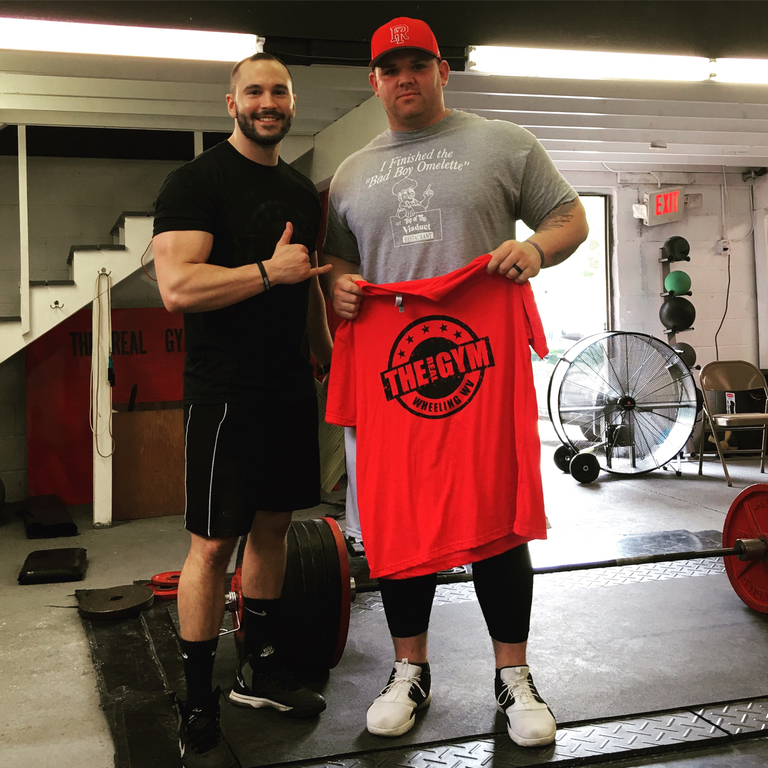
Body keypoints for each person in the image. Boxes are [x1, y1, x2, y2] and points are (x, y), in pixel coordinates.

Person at [321, 18, 588, 748]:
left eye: (418, 64)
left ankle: (514, 675)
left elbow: (569, 217)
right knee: (398, 519)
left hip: (481, 365)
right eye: (390, 69)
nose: (404, 78)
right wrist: (340, 287)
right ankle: (410, 670)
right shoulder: (349, 174)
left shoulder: (504, 143)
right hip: (397, 375)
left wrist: (535, 250)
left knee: (497, 513)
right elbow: (341, 262)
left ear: (443, 71)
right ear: (374, 82)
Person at [152, 52, 333, 768]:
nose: (268, 102)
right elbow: (177, 287)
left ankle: (258, 671)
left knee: (274, 529)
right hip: (225, 391)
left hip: (289, 387)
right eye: (254, 90)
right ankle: (198, 699)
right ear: (231, 103)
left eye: (279, 91)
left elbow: (306, 281)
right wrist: (266, 272)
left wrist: (328, 355)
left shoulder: (299, 189)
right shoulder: (197, 182)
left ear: (292, 102)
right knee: (212, 546)